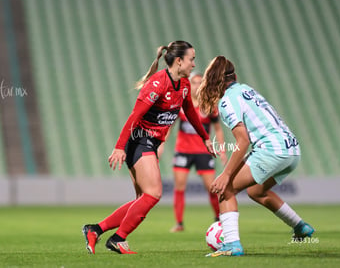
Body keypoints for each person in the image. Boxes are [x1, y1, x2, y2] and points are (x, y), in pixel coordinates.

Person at [82, 41, 215, 255]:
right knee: (153, 194)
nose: (193, 64)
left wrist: (205, 138)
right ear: (179, 61)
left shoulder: (183, 84)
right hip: (139, 141)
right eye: (191, 59)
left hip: (149, 143)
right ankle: (117, 240)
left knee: (143, 199)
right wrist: (119, 147)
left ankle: (95, 230)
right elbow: (134, 116)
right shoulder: (157, 84)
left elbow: (190, 112)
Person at [197, 56, 315, 257]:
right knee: (256, 191)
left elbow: (242, 141)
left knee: (225, 189)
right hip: (292, 149)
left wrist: (226, 175)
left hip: (272, 150)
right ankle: (300, 227)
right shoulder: (247, 90)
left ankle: (232, 245)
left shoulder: (226, 101)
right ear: (234, 75)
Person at [165, 72, 227, 233]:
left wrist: (222, 149)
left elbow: (218, 129)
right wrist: (161, 143)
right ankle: (179, 223)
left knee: (212, 187)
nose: (197, 85)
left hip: (203, 152)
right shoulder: (181, 104)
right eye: (194, 82)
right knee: (179, 187)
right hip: (183, 151)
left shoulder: (209, 106)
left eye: (200, 83)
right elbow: (169, 126)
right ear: (189, 84)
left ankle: (219, 219)